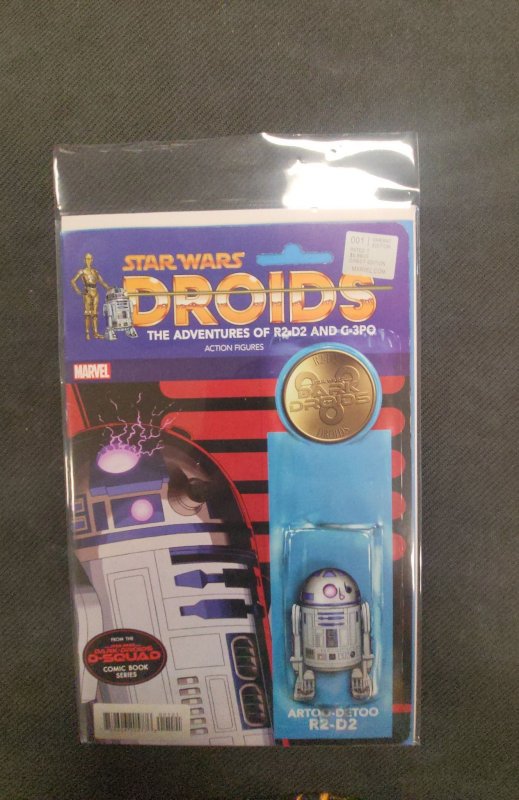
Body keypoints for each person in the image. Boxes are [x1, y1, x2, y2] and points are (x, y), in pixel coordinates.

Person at [71, 253, 110, 340]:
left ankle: (96, 333)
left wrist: (108, 288)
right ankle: (87, 333)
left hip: (95, 292)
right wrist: (78, 291)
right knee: (87, 313)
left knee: (95, 313)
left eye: (90, 259)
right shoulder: (82, 271)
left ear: (92, 260)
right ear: (84, 260)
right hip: (87, 292)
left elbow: (101, 281)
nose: (88, 260)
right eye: (87, 259)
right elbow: (73, 281)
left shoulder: (95, 271)